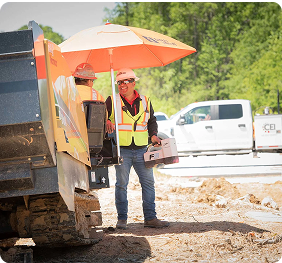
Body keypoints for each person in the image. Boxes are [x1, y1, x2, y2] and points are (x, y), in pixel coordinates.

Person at [105, 68, 169, 229]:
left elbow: (151, 120)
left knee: (148, 184)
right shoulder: (112, 101)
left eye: (126, 82)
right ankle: (122, 220)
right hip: (122, 151)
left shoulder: (146, 101)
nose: (122, 85)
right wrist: (106, 120)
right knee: (121, 185)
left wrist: (153, 135)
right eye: (119, 82)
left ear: (133, 83)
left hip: (142, 150)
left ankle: (150, 218)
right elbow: (100, 116)